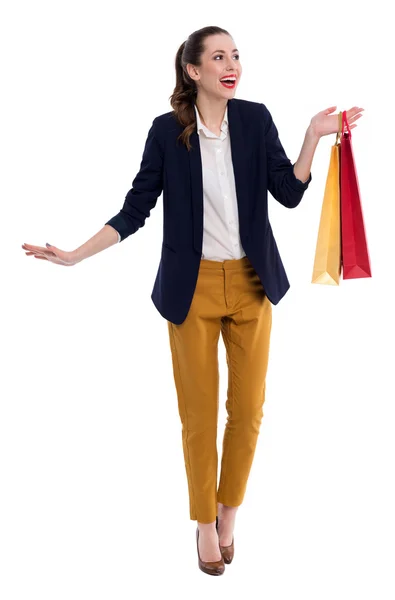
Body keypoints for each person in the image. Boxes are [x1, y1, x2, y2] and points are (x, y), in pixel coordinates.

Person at [21, 25, 364, 576]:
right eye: (219, 57)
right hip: (191, 289)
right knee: (199, 416)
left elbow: (290, 192)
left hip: (253, 284)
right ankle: (205, 522)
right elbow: (136, 209)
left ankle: (229, 515)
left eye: (236, 55)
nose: (232, 64)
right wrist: (76, 255)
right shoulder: (166, 132)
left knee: (248, 411)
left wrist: (313, 136)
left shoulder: (254, 119)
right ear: (194, 71)